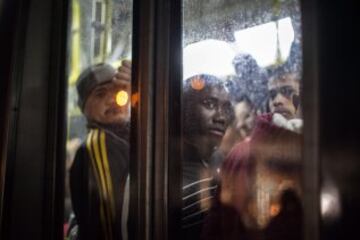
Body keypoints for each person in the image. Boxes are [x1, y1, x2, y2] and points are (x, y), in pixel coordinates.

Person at [69, 61, 132, 240]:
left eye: (117, 90)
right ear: (84, 109)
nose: (112, 99)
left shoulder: (126, 136)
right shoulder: (97, 146)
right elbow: (110, 225)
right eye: (100, 94)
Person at [182, 74, 234, 240]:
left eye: (226, 108)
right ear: (184, 108)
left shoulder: (222, 159)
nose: (220, 117)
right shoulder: (158, 165)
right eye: (209, 104)